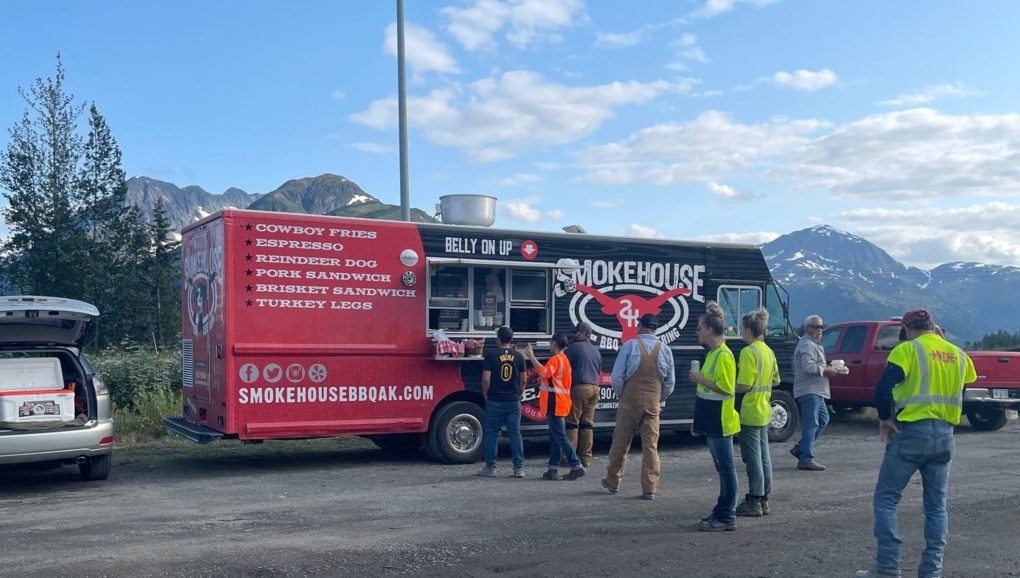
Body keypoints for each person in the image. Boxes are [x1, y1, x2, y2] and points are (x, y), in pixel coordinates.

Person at [854, 308, 976, 578]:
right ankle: (932, 571)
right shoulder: (959, 355)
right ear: (934, 327)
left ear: (906, 329)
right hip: (945, 436)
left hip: (910, 434)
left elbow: (883, 389)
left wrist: (885, 419)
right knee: (936, 506)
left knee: (886, 499)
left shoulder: (907, 350)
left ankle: (887, 567)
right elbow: (962, 390)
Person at [601, 313, 676, 500]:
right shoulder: (665, 350)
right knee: (650, 446)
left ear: (640, 326)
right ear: (655, 329)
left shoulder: (630, 346)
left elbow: (617, 377)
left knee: (620, 443)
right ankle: (650, 488)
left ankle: (613, 481)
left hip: (629, 402)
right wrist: (658, 398)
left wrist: (622, 395)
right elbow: (670, 383)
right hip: (652, 404)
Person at [690, 302, 740, 531]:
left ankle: (727, 515)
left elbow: (727, 389)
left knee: (726, 468)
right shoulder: (713, 354)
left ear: (710, 329)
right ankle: (722, 511)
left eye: (700, 327)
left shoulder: (724, 356)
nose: (698, 331)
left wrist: (700, 379)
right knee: (722, 468)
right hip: (711, 419)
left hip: (721, 420)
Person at [734, 309, 781, 517]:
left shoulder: (748, 352)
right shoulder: (768, 351)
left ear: (748, 330)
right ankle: (764, 498)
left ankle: (754, 498)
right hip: (764, 409)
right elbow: (776, 380)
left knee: (752, 457)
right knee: (764, 457)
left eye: (742, 329)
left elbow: (744, 383)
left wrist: (727, 387)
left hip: (751, 409)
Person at [524, 335, 586, 481]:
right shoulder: (564, 359)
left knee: (559, 436)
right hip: (560, 402)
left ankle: (576, 465)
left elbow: (545, 372)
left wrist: (531, 356)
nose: (549, 345)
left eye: (551, 342)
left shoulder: (555, 359)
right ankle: (552, 468)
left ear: (555, 344)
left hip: (555, 403)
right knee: (555, 436)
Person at [477, 326, 527, 478]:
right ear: (511, 340)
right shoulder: (519, 356)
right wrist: (519, 394)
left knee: (492, 433)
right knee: (515, 433)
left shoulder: (491, 355)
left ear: (498, 339)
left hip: (494, 400)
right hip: (513, 401)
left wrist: (486, 394)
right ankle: (519, 468)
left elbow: (486, 379)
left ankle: (491, 467)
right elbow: (524, 380)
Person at [790, 314, 839, 471]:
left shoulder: (814, 344)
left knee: (823, 420)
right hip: (809, 390)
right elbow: (808, 367)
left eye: (821, 327)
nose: (820, 330)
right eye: (816, 326)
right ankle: (805, 458)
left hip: (817, 391)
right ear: (807, 328)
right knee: (812, 423)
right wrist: (827, 370)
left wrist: (828, 367)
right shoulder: (806, 345)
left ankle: (801, 448)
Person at [564, 322, 603, 467]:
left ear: (585, 333)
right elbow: (599, 371)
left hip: (579, 388)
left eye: (577, 332)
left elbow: (564, 367)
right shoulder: (596, 350)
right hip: (594, 388)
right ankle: (586, 458)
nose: (574, 335)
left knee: (572, 424)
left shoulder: (573, 348)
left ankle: (569, 457)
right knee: (587, 425)